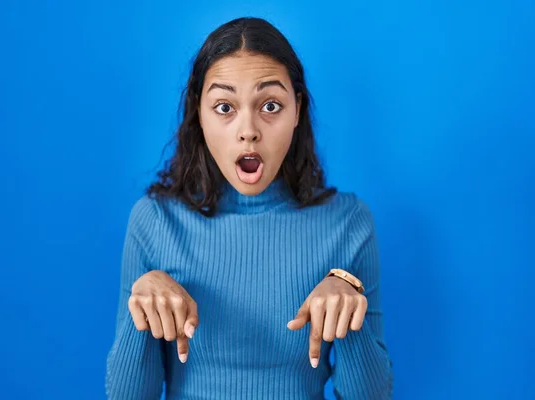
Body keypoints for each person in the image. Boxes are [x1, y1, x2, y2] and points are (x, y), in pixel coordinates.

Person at [105, 17, 393, 400]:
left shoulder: (349, 223)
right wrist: (140, 304)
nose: (248, 130)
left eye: (270, 105)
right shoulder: (154, 221)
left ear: (297, 110)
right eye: (224, 107)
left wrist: (348, 304)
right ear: (199, 114)